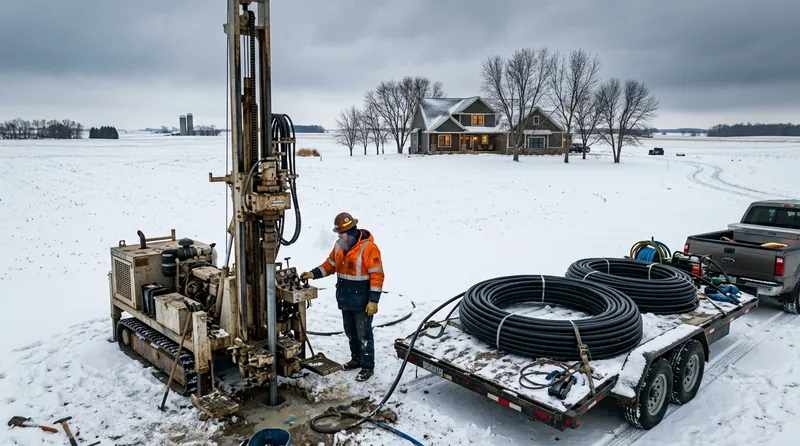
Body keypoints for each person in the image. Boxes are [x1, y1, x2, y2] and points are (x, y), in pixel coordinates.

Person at [301, 212, 384, 381]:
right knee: (351, 333)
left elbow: (377, 275)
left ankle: (367, 366)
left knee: (364, 335)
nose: (339, 236)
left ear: (352, 231)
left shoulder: (369, 248)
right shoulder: (340, 246)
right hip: (346, 298)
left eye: (342, 233)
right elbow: (330, 265)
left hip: (362, 301)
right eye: (338, 233)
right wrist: (313, 273)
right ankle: (356, 359)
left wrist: (373, 301)